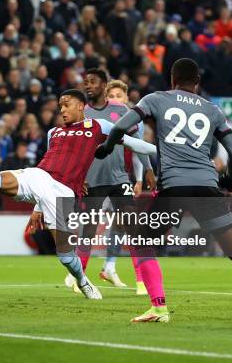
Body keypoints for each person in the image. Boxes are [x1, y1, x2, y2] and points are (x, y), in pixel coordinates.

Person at [95, 58, 232, 324]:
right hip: (206, 185)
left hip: (174, 186)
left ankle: (158, 308)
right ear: (198, 82)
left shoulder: (156, 98)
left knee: (144, 243)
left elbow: (122, 126)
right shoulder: (212, 109)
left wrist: (108, 146)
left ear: (172, 79)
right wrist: (229, 178)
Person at [0, 89, 157, 300]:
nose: (61, 110)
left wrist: (166, 151)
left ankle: (82, 280)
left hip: (63, 193)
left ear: (81, 106)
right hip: (38, 176)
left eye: (66, 105)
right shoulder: (54, 132)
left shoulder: (100, 126)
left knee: (66, 256)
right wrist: (36, 208)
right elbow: (51, 166)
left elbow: (137, 145)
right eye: (60, 106)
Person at [65, 70, 155, 294]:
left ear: (104, 86)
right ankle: (80, 277)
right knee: (89, 230)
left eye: (92, 82)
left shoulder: (122, 111)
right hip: (91, 179)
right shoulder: (80, 112)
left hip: (118, 177)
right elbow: (70, 148)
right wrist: (76, 177)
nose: (88, 86)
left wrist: (149, 169)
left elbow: (136, 143)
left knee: (132, 227)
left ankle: (142, 281)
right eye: (85, 82)